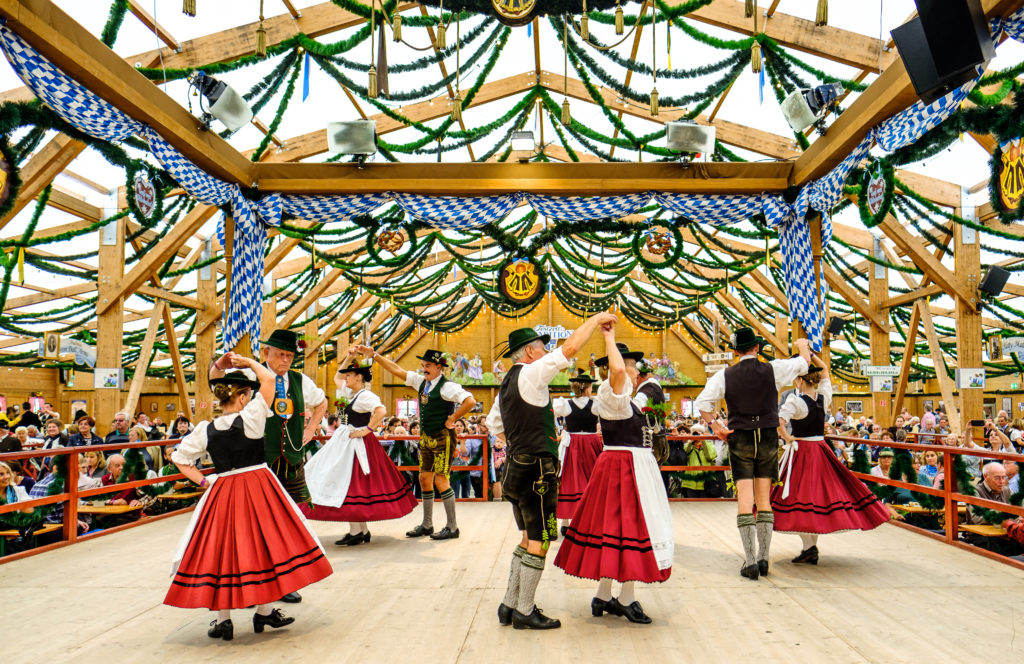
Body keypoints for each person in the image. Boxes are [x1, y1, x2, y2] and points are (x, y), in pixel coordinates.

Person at [165, 356, 332, 641]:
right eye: (248, 394)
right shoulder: (253, 416)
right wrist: (247, 362)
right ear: (243, 398)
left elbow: (179, 459)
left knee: (223, 551)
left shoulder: (205, 429)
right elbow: (269, 380)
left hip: (223, 491)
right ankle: (264, 612)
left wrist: (206, 481)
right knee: (266, 546)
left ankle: (224, 620)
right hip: (258, 488)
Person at [486, 313, 615, 631]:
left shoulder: (506, 384)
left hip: (516, 467)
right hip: (536, 471)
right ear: (529, 352)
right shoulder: (531, 373)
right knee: (541, 539)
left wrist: (517, 440)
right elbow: (569, 349)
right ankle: (525, 610)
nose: (546, 352)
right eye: (542, 348)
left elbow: (493, 425)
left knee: (525, 538)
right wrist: (597, 319)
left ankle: (510, 603)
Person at [553, 327, 673, 626]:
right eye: (631, 367)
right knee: (632, 529)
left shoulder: (626, 397)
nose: (635, 372)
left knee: (616, 530)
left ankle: (604, 594)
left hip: (629, 465)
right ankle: (627, 597)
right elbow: (618, 369)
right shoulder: (611, 393)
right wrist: (609, 337)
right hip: (624, 466)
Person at [694, 327, 811, 580]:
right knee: (765, 500)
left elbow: (702, 403)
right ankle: (764, 558)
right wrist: (802, 345)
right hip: (768, 436)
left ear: (735, 351)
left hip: (741, 437)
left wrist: (717, 429)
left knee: (745, 501)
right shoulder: (774, 368)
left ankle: (750, 562)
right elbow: (804, 364)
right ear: (757, 348)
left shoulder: (725, 375)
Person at [208, 329, 327, 551]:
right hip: (258, 460)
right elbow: (218, 387)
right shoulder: (251, 376)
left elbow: (322, 403)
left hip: (292, 459)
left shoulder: (301, 380)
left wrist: (311, 428)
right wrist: (219, 366)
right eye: (280, 354)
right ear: (266, 351)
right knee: (260, 516)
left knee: (296, 513)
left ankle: (292, 558)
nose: (285, 360)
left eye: (289, 355)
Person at [771, 355, 889, 565]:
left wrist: (787, 437)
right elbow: (825, 372)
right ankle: (810, 548)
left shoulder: (795, 400)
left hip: (803, 451)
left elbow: (778, 421)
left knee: (800, 498)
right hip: (821, 450)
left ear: (799, 381)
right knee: (816, 497)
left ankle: (809, 548)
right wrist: (813, 356)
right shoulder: (823, 397)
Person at [357, 344, 476, 541]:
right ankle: (427, 524)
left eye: (428, 365)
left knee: (441, 480)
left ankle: (452, 527)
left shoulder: (447, 387)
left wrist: (452, 418)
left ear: (439, 367)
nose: (424, 368)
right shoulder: (422, 382)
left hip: (443, 438)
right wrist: (375, 355)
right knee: (424, 479)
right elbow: (397, 370)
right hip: (427, 438)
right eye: (423, 365)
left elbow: (470, 401)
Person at [301, 351, 417, 545]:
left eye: (349, 375)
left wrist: (367, 430)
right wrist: (347, 358)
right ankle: (360, 530)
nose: (345, 378)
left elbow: (381, 410)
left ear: (358, 377)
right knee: (349, 483)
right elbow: (337, 376)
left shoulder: (365, 396)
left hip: (356, 445)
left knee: (352, 484)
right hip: (346, 442)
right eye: (346, 375)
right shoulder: (352, 394)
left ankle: (357, 531)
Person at [551, 369, 602, 534]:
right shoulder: (596, 404)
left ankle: (566, 523)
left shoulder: (565, 404)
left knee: (570, 479)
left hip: (572, 443)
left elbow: (553, 416)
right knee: (592, 480)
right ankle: (590, 520)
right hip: (591, 443)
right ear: (587, 388)